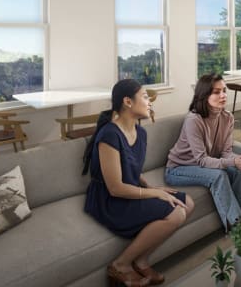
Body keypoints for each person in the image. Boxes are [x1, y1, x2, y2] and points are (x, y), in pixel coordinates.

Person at [83, 79, 194, 287]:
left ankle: (141, 260)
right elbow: (115, 188)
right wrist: (155, 195)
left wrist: (152, 188)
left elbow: (132, 170)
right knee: (176, 212)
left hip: (132, 191)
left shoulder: (141, 133)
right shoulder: (109, 134)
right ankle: (120, 264)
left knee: (187, 203)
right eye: (144, 96)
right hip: (110, 200)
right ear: (128, 102)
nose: (150, 101)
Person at [165, 73, 241, 231]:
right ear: (204, 95)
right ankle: (240, 232)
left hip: (204, 163)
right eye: (216, 92)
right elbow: (202, 160)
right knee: (219, 176)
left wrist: (237, 159)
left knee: (239, 171)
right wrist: (231, 161)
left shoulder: (227, 118)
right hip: (178, 169)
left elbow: (226, 152)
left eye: (224, 90)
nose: (223, 95)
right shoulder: (194, 120)